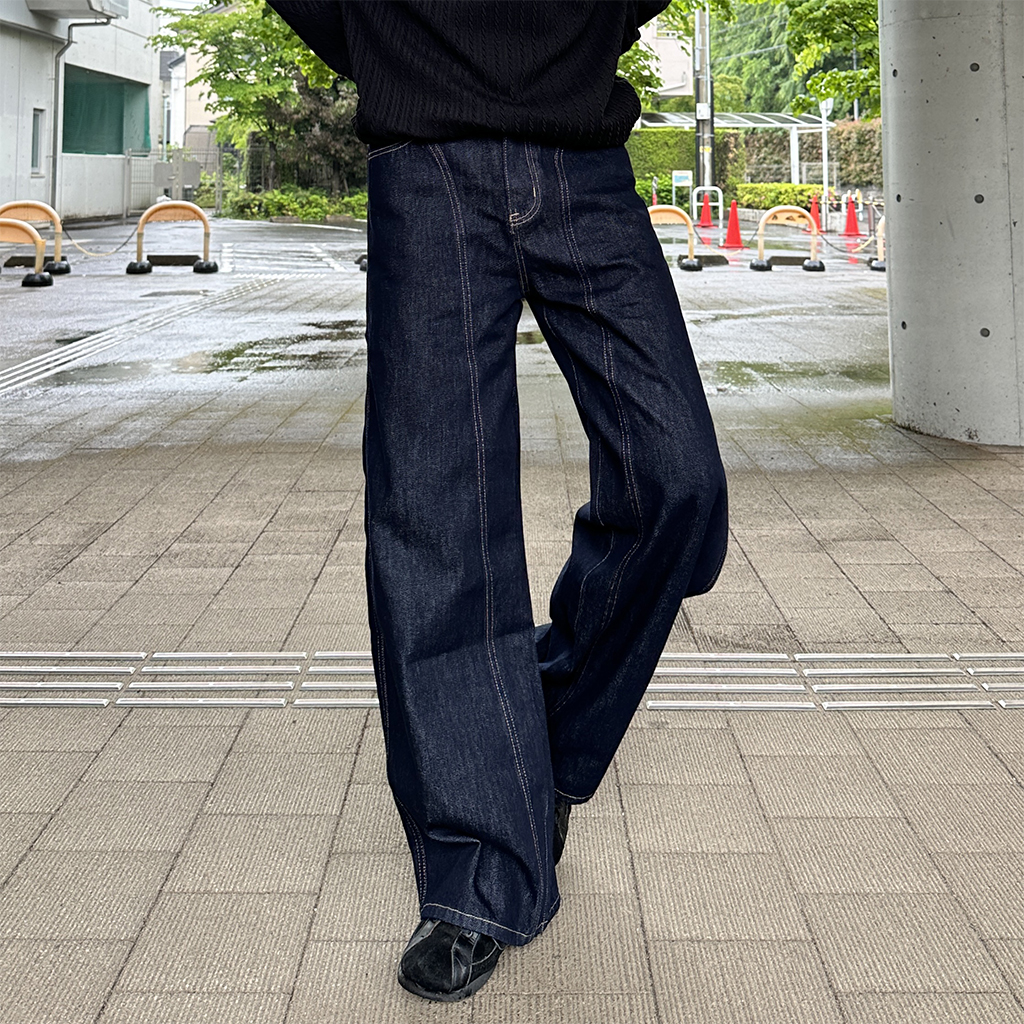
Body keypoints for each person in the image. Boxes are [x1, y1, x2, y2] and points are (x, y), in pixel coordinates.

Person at [268, 0, 729, 1003]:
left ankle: (545, 734)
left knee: (678, 480)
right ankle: (475, 875)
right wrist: (392, 47)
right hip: (425, 164)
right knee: (436, 516)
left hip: (583, 165)